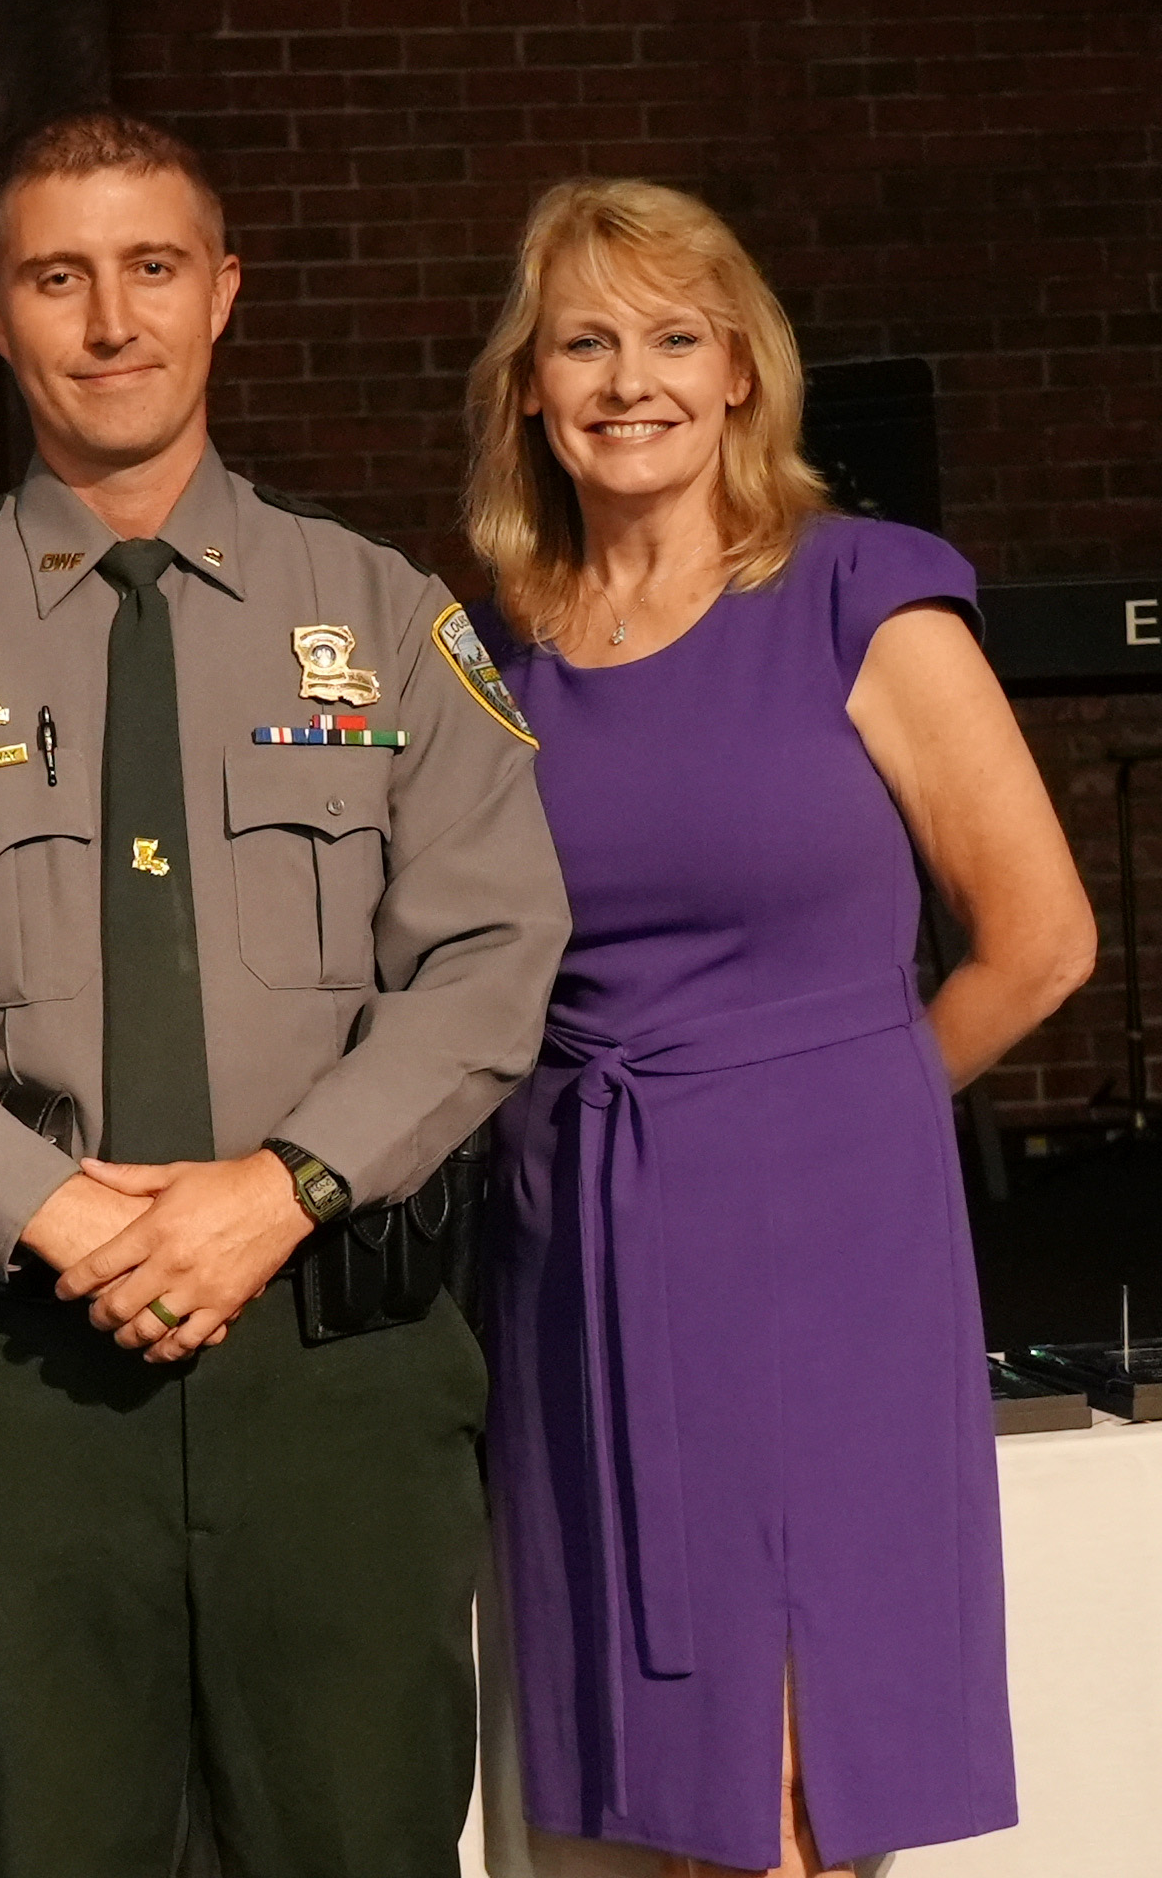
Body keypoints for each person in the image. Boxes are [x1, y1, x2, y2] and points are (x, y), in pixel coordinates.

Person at [0, 105, 571, 1877]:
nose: (111, 319)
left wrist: (284, 1188)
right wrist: (60, 1218)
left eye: (153, 269)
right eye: (57, 276)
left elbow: (493, 957)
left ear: (225, 294)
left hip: (342, 1373)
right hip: (30, 1392)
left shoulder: (391, 619)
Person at [467, 180, 1093, 1877]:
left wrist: (844, 1110)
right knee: (670, 1788)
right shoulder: (493, 656)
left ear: (744, 371)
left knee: (800, 1780)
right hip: (584, 1241)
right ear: (528, 385)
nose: (631, 379)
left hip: (824, 1247)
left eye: (676, 337)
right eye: (584, 341)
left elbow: (1040, 944)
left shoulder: (859, 592)